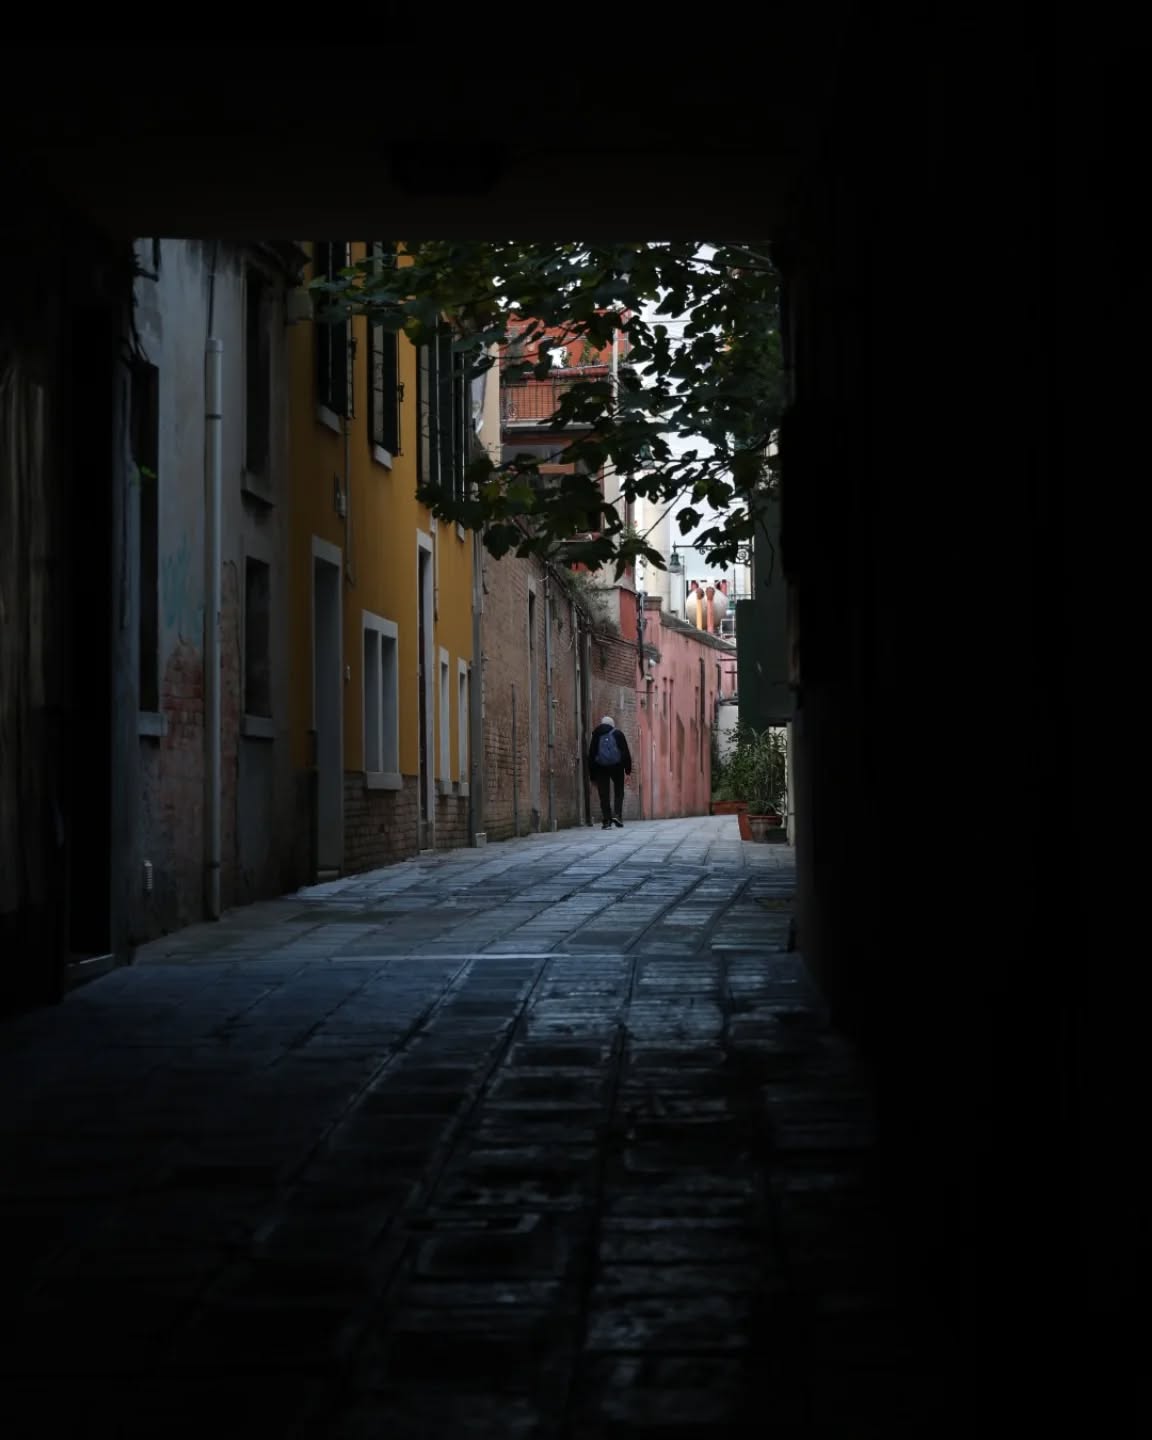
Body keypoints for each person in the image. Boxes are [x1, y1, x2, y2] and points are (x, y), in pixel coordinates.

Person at [588, 715, 632, 829]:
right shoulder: (618, 734)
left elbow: (591, 756)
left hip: (600, 767)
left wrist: (592, 777)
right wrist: (628, 771)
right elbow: (625, 752)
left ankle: (607, 820)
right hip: (617, 766)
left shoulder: (596, 734)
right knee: (619, 791)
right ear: (612, 725)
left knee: (604, 794)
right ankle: (617, 815)